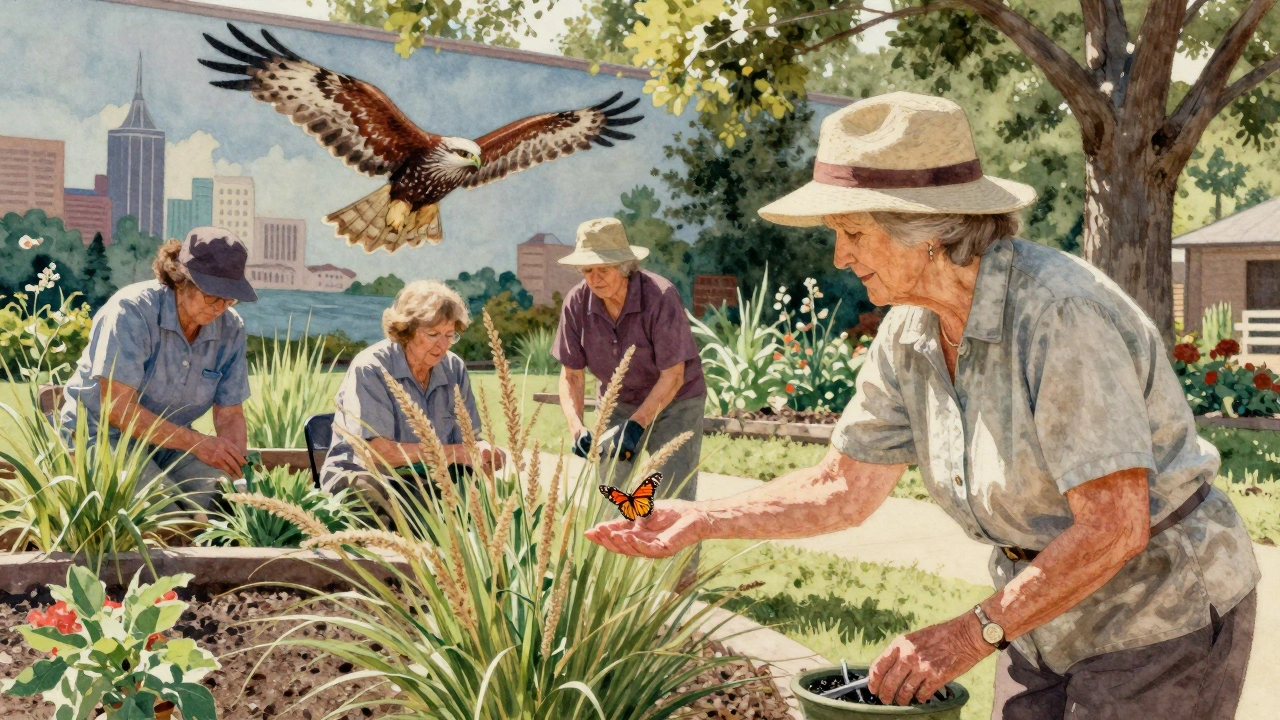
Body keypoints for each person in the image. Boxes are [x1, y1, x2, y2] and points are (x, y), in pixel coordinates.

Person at [585, 92, 1259, 719]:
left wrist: (970, 634)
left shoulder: (1059, 312)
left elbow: (1114, 526)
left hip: (1159, 616)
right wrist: (698, 519)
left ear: (924, 231)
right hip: (1040, 619)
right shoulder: (908, 330)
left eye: (852, 233)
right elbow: (841, 488)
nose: (839, 257)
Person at [59, 227, 258, 512]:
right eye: (212, 295)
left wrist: (237, 469)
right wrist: (197, 443)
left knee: (232, 505)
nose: (220, 307)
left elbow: (229, 414)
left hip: (171, 443)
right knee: (163, 516)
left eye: (230, 298)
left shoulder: (231, 327)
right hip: (102, 436)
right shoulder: (131, 311)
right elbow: (117, 409)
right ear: (180, 280)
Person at [552, 217, 706, 505]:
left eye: (604, 269)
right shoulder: (576, 303)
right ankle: (614, 550)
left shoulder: (660, 296)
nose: (595, 279)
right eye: (588, 270)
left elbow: (673, 375)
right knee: (608, 496)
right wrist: (577, 428)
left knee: (674, 499)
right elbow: (571, 375)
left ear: (624, 267)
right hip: (618, 400)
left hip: (676, 403)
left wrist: (637, 425)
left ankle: (676, 550)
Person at [320, 280, 505, 500]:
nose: (442, 345)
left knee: (483, 502)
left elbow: (469, 439)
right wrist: (453, 453)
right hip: (364, 478)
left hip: (428, 480)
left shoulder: (453, 368)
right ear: (406, 330)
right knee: (403, 498)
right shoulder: (371, 368)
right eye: (433, 334)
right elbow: (376, 452)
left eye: (449, 335)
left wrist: (484, 449)